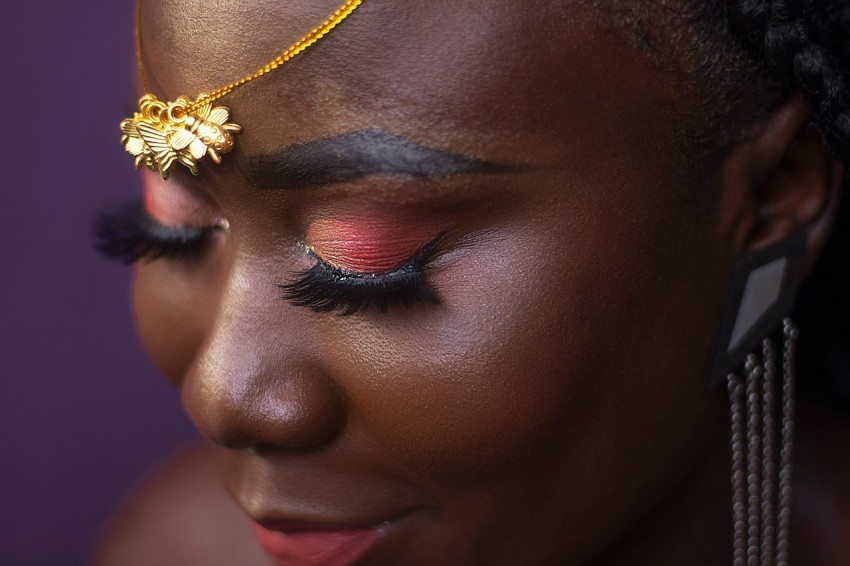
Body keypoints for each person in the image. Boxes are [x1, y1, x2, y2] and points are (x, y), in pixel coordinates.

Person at [93, 0, 850, 564]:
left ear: (770, 195)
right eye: (176, 223)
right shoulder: (176, 546)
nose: (223, 395)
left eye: (366, 262)